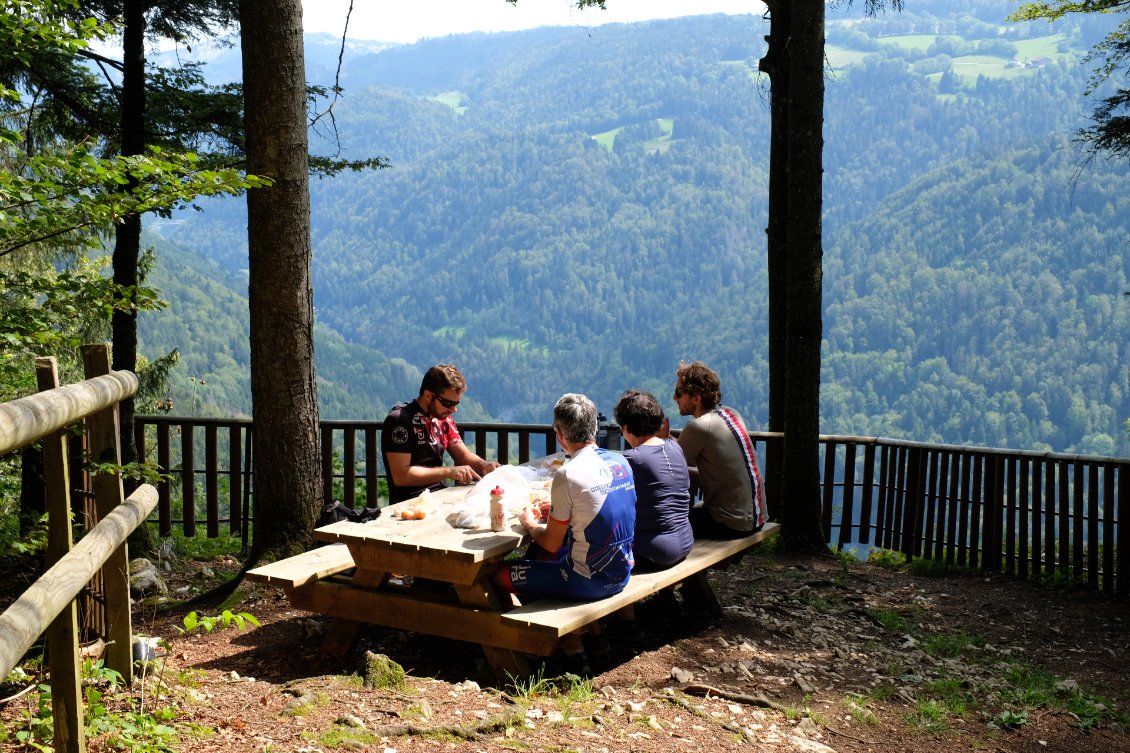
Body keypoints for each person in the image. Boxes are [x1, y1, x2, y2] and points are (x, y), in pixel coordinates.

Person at [493, 393, 636, 671]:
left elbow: (549, 542)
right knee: (553, 560)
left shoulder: (568, 474)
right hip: (622, 572)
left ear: (560, 433)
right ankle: (586, 645)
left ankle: (531, 650)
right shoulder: (621, 462)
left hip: (585, 579)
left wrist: (528, 521)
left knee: (496, 576)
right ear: (594, 426)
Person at [381, 363, 500, 505]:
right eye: (448, 403)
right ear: (428, 395)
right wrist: (448, 472)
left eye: (457, 403)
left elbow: (463, 455)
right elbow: (401, 476)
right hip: (409, 504)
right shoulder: (399, 420)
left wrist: (484, 465)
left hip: (439, 497)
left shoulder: (443, 418)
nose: (454, 409)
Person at [673, 361, 767, 539]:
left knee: (666, 523)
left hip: (731, 524)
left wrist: (659, 439)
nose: (674, 398)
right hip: (757, 518)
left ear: (696, 398)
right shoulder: (732, 414)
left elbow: (668, 465)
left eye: (679, 392)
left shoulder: (698, 427)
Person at [613, 389, 693, 572]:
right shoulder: (674, 447)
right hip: (685, 540)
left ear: (625, 428)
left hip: (655, 551)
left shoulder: (632, 459)